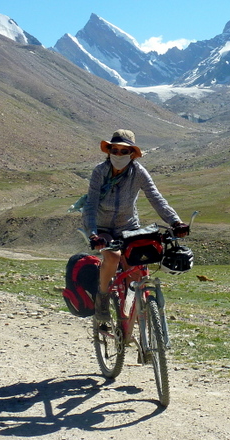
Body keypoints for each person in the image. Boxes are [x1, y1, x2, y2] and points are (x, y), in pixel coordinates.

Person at [82, 129, 187, 321]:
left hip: (129, 227)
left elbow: (156, 198)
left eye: (124, 151)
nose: (119, 155)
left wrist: (175, 221)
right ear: (109, 152)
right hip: (103, 228)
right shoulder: (100, 171)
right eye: (115, 150)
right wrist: (93, 234)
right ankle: (102, 301)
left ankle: (133, 315)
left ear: (132, 153)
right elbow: (90, 204)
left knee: (136, 268)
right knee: (113, 257)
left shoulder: (138, 172)